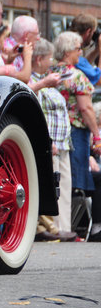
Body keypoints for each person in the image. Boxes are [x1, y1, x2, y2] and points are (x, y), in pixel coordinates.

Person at [30, 39, 76, 241]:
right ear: (39, 59)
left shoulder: (44, 77)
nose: (51, 61)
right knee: (53, 186)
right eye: (48, 58)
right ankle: (54, 228)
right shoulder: (32, 79)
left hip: (61, 141)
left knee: (63, 187)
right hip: (50, 141)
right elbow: (37, 110)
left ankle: (62, 227)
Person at [52, 31, 101, 198]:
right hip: (76, 133)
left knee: (60, 178)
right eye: (78, 49)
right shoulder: (77, 76)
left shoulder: (50, 72)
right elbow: (86, 109)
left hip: (54, 132)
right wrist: (96, 135)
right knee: (74, 182)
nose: (81, 52)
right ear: (67, 52)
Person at [68, 13, 101, 84]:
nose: (93, 35)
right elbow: (99, 80)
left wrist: (97, 50)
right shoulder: (74, 52)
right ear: (88, 32)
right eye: (93, 32)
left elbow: (85, 66)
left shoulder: (68, 46)